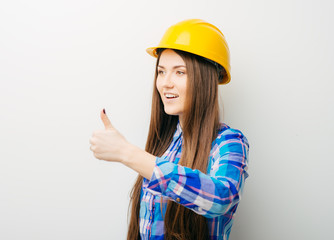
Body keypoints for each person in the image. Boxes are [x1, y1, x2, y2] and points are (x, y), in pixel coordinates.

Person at [90, 19, 249, 240]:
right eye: (161, 71)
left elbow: (220, 198)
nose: (165, 83)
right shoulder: (164, 144)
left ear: (206, 79)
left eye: (180, 72)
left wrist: (127, 153)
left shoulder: (229, 142)